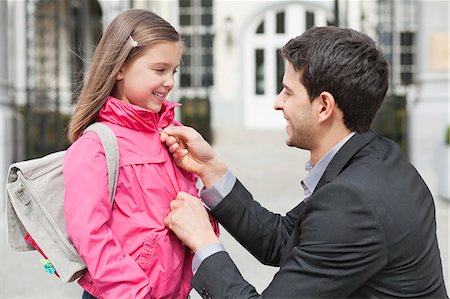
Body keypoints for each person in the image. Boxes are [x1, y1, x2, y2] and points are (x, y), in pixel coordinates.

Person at [161, 26, 448, 298]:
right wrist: (210, 169)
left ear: (324, 106)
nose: (277, 102)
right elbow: (282, 240)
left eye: (288, 91)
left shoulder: (352, 201)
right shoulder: (380, 158)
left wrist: (204, 243)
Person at [63, 9, 218, 299]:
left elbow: (185, 209)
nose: (170, 81)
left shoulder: (172, 133)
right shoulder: (96, 146)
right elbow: (90, 236)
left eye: (173, 71)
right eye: (159, 70)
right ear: (120, 68)